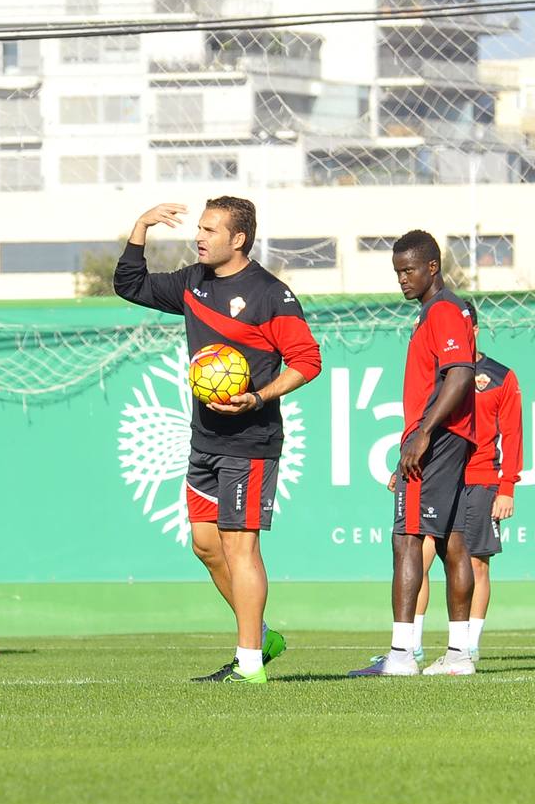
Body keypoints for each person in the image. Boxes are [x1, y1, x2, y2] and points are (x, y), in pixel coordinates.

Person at [115, 198, 322, 684]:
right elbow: (129, 284)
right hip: (203, 441)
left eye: (210, 230)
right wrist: (142, 225)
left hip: (250, 442)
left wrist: (260, 397)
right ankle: (262, 634)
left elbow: (307, 361)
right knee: (206, 546)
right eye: (200, 228)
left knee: (239, 548)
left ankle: (249, 664)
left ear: (238, 239)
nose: (199, 236)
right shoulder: (193, 283)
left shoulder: (272, 294)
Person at [350, 231, 477, 677]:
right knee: (452, 543)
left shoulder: (442, 309)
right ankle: (459, 655)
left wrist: (422, 434)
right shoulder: (442, 310)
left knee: (406, 539)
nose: (402, 279)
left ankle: (402, 656)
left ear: (432, 268)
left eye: (409, 271)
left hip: (436, 438)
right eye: (397, 272)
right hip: (452, 436)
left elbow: (460, 374)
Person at [384, 300, 521, 664]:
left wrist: (507, 485)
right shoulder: (439, 374)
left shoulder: (499, 376)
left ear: (474, 330)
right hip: (445, 468)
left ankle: (465, 647)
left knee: (473, 560)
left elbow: (513, 434)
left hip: (480, 477)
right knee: (422, 554)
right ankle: (414, 644)